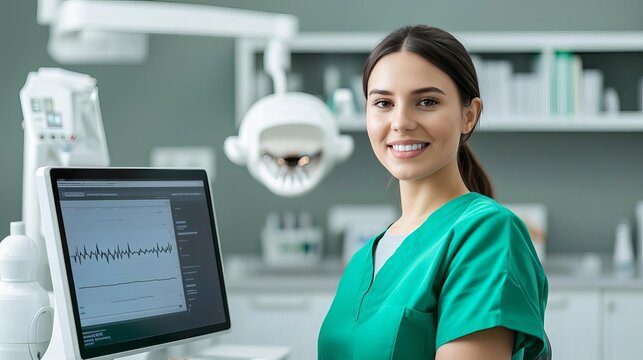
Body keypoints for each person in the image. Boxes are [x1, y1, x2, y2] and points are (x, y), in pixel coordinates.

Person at [318, 25, 548, 360]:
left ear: (469, 116)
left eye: (426, 101)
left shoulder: (487, 235)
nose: (401, 122)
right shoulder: (364, 258)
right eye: (383, 102)